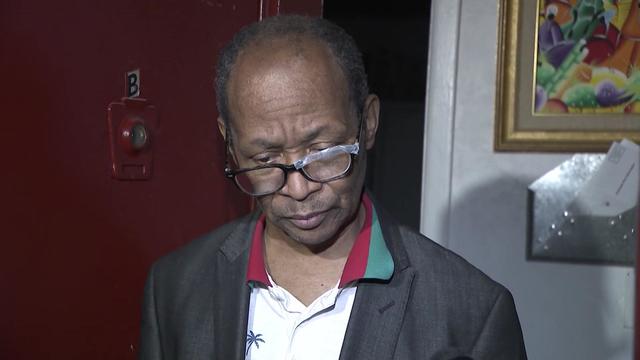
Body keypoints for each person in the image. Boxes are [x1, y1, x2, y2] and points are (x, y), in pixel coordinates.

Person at [138, 15, 527, 360]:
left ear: (368, 122)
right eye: (264, 160)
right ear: (230, 142)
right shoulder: (174, 287)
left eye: (322, 152)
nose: (297, 188)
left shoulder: (470, 315)